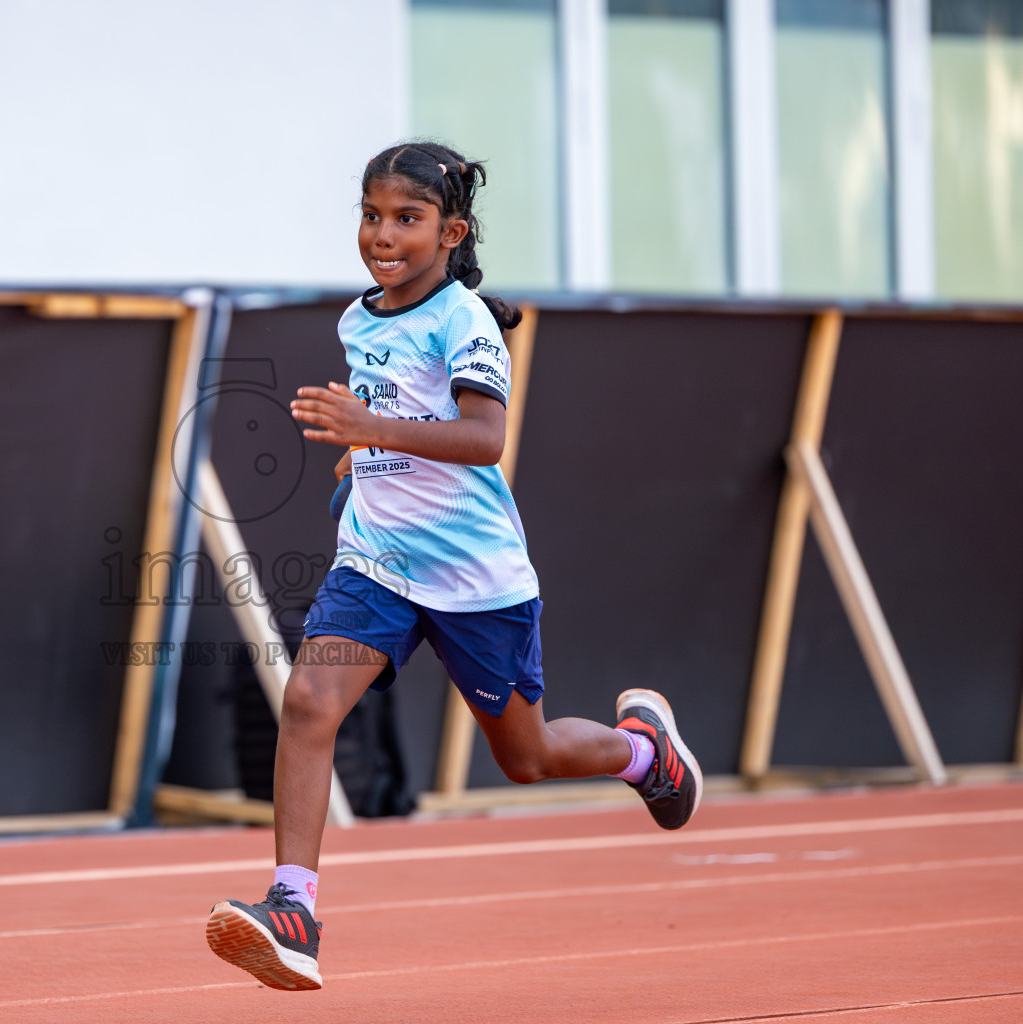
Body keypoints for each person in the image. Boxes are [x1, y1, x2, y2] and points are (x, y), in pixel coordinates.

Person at [204, 142, 702, 991]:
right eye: (371, 215)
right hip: (378, 564)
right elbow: (396, 420)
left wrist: (374, 431)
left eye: (408, 218)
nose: (383, 234)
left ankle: (643, 753)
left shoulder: (464, 320)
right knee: (308, 700)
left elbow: (482, 439)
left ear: (452, 231)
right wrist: (360, 459)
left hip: (476, 578)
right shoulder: (359, 319)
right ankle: (293, 910)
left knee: (528, 758)